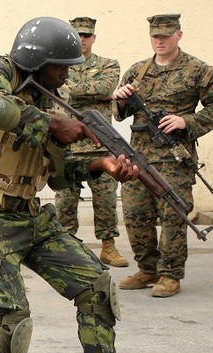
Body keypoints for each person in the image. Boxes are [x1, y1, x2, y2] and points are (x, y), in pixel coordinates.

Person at [0, 17, 177, 353]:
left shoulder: (50, 96)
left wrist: (100, 166)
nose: (69, 75)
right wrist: (54, 125)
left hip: (29, 213)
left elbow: (56, 173)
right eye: (62, 66)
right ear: (39, 60)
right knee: (11, 319)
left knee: (96, 286)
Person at [113, 14, 213, 297]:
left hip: (175, 157)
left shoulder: (197, 70)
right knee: (135, 214)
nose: (159, 41)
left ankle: (170, 275)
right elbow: (119, 114)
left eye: (165, 35)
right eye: (155, 36)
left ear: (179, 35)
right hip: (137, 156)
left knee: (174, 216)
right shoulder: (137, 71)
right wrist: (121, 100)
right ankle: (147, 269)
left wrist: (187, 122)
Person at [54, 17, 127, 268]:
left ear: (93, 37)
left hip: (100, 144)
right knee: (64, 201)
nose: (82, 39)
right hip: (68, 146)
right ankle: (66, 248)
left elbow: (106, 86)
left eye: (86, 35)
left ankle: (108, 246)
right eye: (78, 35)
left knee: (106, 200)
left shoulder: (109, 64)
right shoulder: (60, 65)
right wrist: (92, 90)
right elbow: (61, 91)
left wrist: (72, 87)